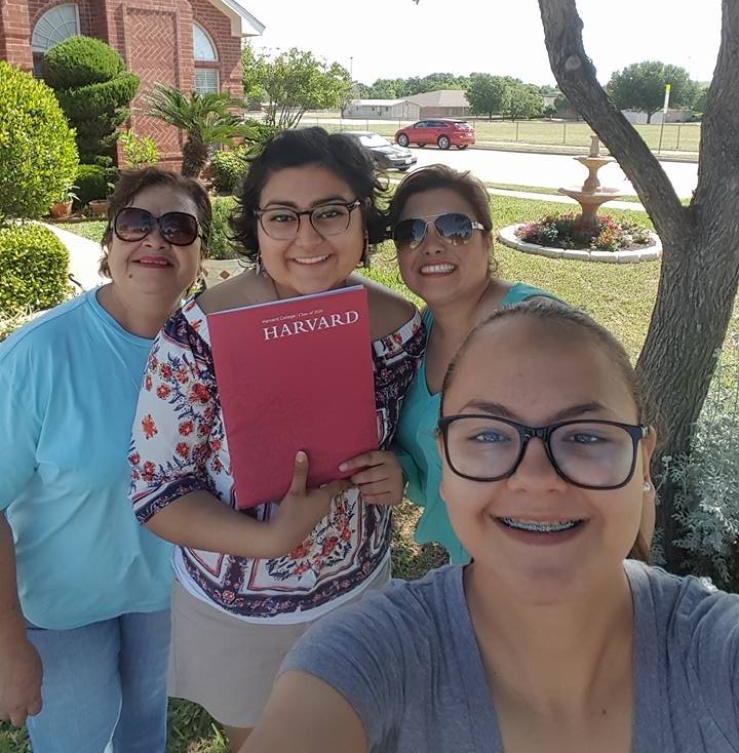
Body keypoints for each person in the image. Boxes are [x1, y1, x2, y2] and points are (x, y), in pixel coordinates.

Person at [245, 299, 739, 753]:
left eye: (586, 436)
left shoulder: (716, 651)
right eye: (487, 434)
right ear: (444, 463)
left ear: (643, 462)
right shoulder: (367, 658)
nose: (536, 479)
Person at [128, 128, 424, 750]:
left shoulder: (398, 329)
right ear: (257, 227)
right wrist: (270, 537)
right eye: (283, 216)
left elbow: (412, 445)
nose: (308, 238)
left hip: (359, 590)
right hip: (239, 611)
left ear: (362, 221)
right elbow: (158, 492)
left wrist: (395, 469)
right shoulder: (201, 333)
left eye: (331, 213)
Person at [0, 167, 211, 753]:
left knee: (145, 734)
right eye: (135, 223)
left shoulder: (215, 350)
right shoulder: (36, 356)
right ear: (109, 243)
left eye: (177, 227)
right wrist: (8, 641)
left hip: (164, 597)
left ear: (202, 254)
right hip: (59, 609)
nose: (155, 240)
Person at [389, 164, 556, 563]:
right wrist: (400, 470)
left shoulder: (537, 324)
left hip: (537, 568)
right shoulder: (417, 334)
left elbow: (611, 445)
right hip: (468, 573)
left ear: (488, 243)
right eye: (410, 232)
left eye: (455, 227)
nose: (431, 244)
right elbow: (431, 450)